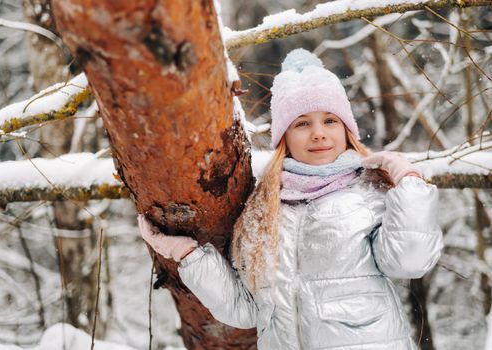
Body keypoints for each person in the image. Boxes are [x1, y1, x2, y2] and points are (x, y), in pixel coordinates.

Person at [137, 48, 444, 350]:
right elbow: (245, 309)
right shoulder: (264, 208)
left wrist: (410, 183)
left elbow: (410, 262)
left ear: (347, 129)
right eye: (302, 123)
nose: (318, 134)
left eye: (330, 121)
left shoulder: (369, 193)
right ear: (284, 137)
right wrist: (188, 255)